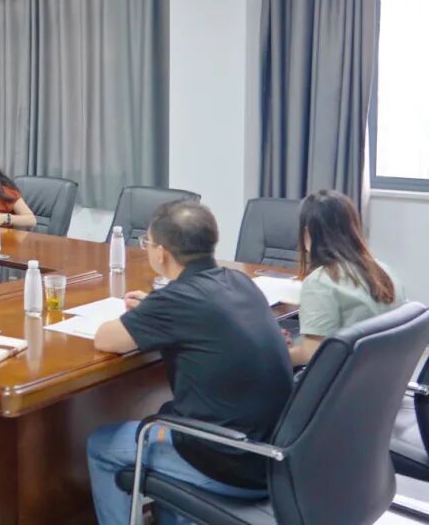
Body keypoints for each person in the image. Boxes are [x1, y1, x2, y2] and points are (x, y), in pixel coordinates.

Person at [87, 200, 293, 525]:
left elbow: (105, 339)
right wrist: (154, 309)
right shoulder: (239, 281)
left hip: (228, 462)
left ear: (161, 253)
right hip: (274, 456)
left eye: (147, 242)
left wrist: (154, 310)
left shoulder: (175, 300)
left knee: (101, 445)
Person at [288, 190, 404, 366]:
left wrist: (276, 351)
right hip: (381, 371)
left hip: (343, 374)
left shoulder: (320, 282)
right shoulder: (383, 270)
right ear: (353, 228)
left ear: (307, 233)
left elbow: (311, 354)